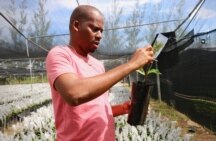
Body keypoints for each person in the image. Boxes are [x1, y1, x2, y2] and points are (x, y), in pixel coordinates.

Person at [46, 5, 153, 141]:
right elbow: (73, 93)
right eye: (95, 29)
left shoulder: (98, 65)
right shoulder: (60, 54)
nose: (100, 36)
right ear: (76, 25)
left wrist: (122, 108)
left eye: (102, 31)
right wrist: (132, 64)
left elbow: (93, 109)